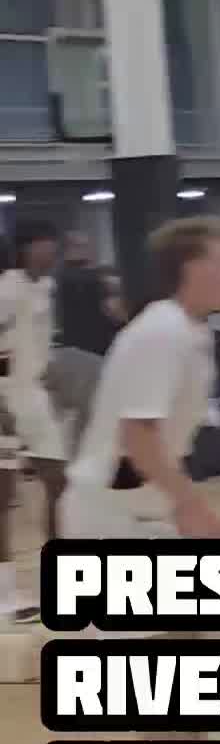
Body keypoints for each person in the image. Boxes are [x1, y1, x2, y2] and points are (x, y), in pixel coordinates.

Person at [62, 216, 220, 545]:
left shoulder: (193, 331)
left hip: (137, 514)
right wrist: (192, 508)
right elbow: (138, 438)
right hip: (106, 519)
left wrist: (182, 507)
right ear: (192, 268)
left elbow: (164, 446)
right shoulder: (163, 332)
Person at [0, 220, 68, 565]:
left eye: (53, 244)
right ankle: (4, 584)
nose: (52, 252)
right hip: (5, 399)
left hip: (35, 399)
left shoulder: (46, 286)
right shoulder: (7, 290)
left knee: (59, 481)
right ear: (26, 248)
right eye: (45, 244)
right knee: (3, 493)